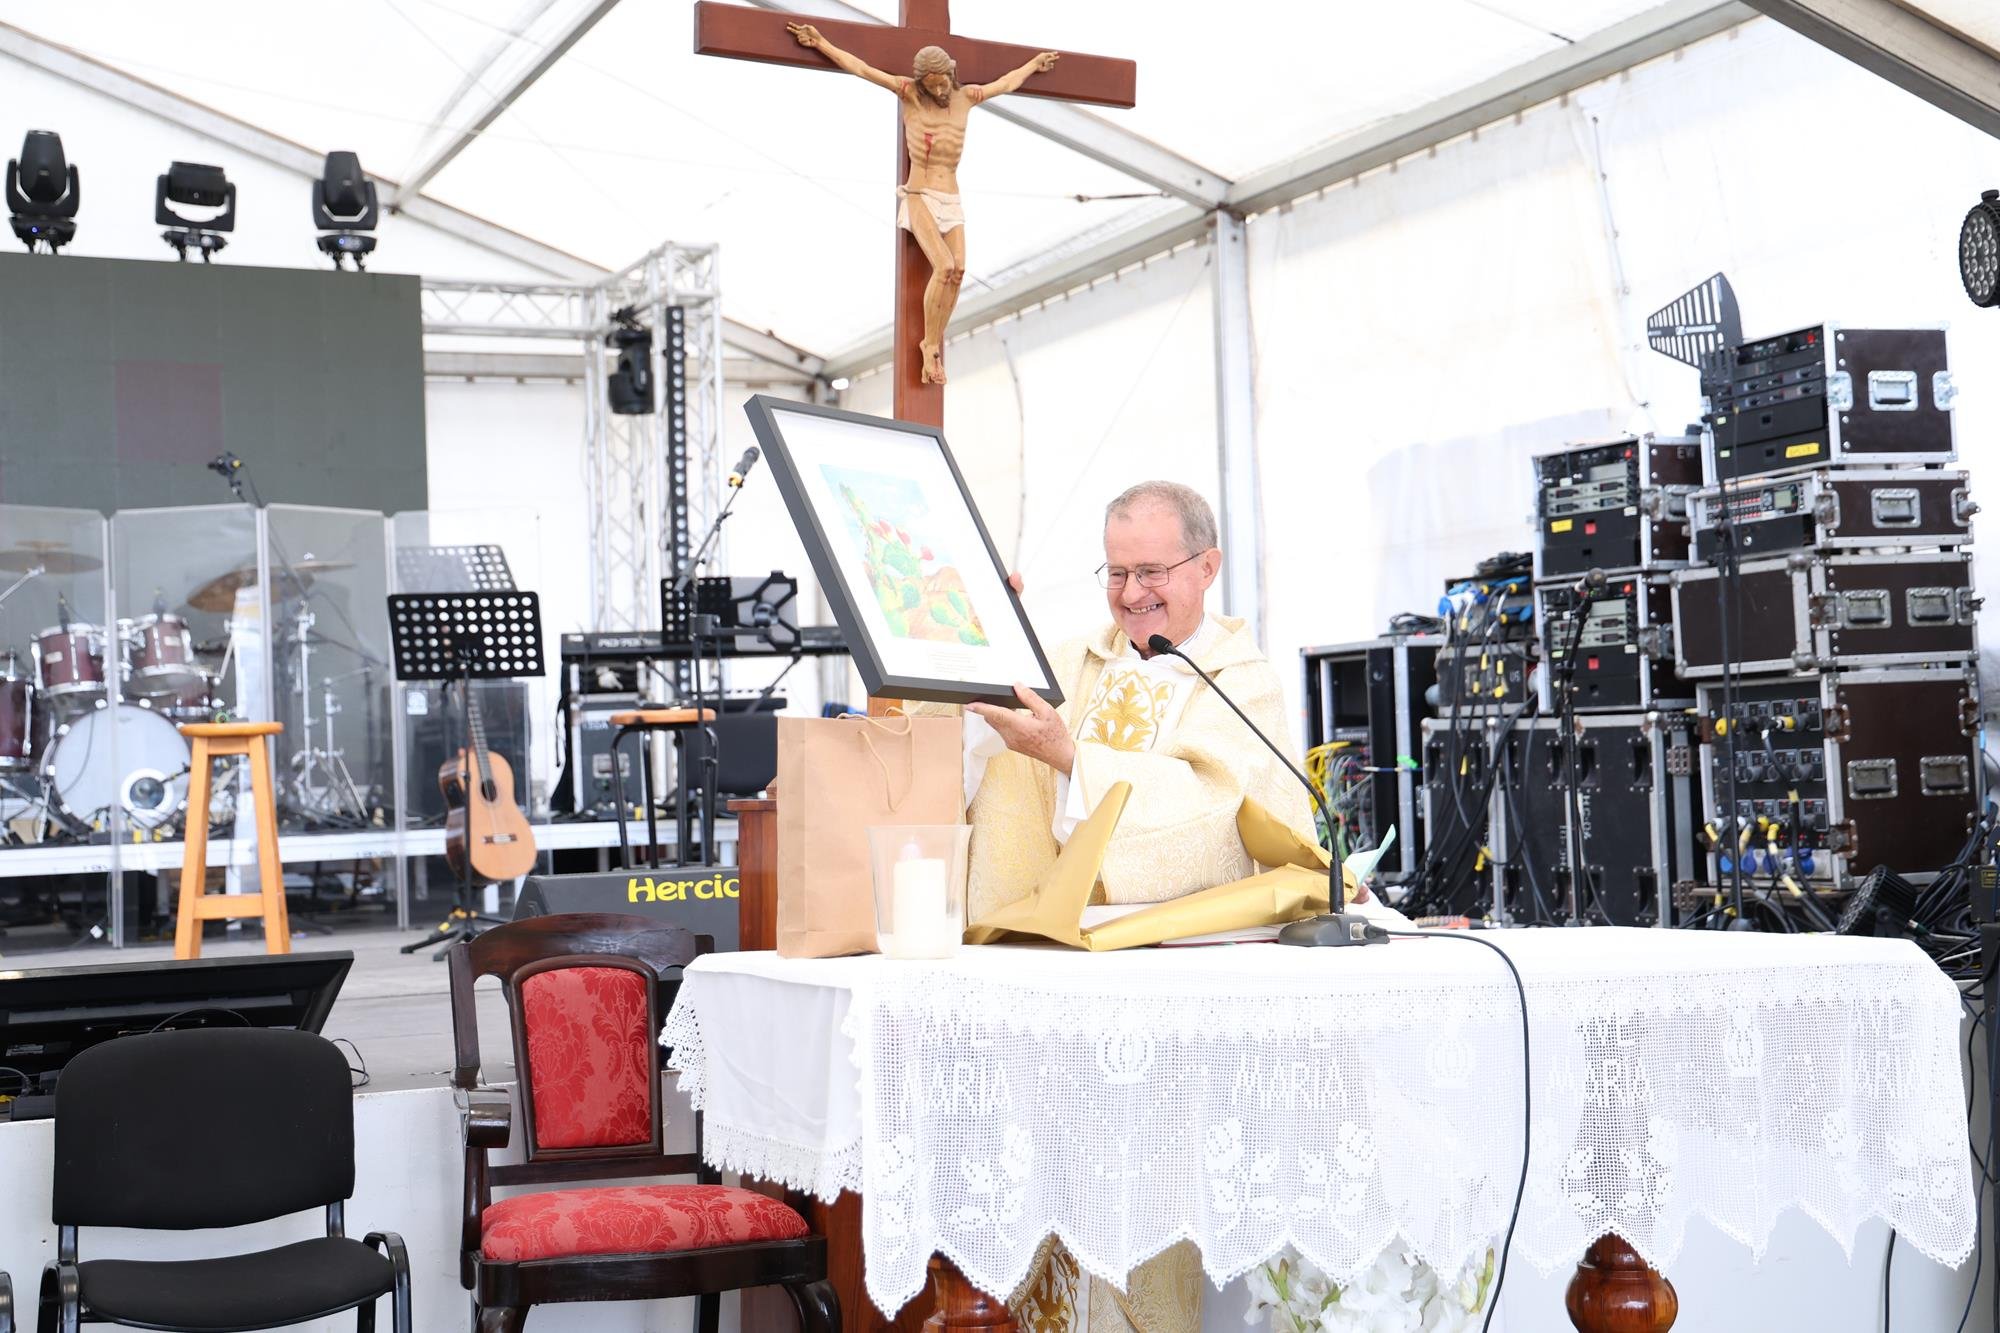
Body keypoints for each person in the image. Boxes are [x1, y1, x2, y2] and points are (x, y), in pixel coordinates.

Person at [953, 480, 1322, 1333]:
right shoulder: (1077, 661)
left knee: (1138, 1217)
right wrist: (980, 638)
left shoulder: (1240, 680)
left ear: (1208, 566)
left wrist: (1072, 759)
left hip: (1161, 1003)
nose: (1131, 593)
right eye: (1116, 572)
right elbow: (982, 736)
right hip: (1053, 988)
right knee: (1037, 1210)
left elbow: (1216, 809)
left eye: (1151, 570)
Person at [786, 21, 1058, 385]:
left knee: (959, 270)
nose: (940, 89)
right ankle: (929, 346)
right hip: (920, 195)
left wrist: (1034, 64)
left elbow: (1006, 83)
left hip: (951, 196)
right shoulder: (909, 94)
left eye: (943, 81)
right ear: (921, 83)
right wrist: (821, 43)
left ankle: (935, 340)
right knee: (943, 266)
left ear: (951, 74)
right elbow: (862, 68)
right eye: (932, 85)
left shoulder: (966, 97)